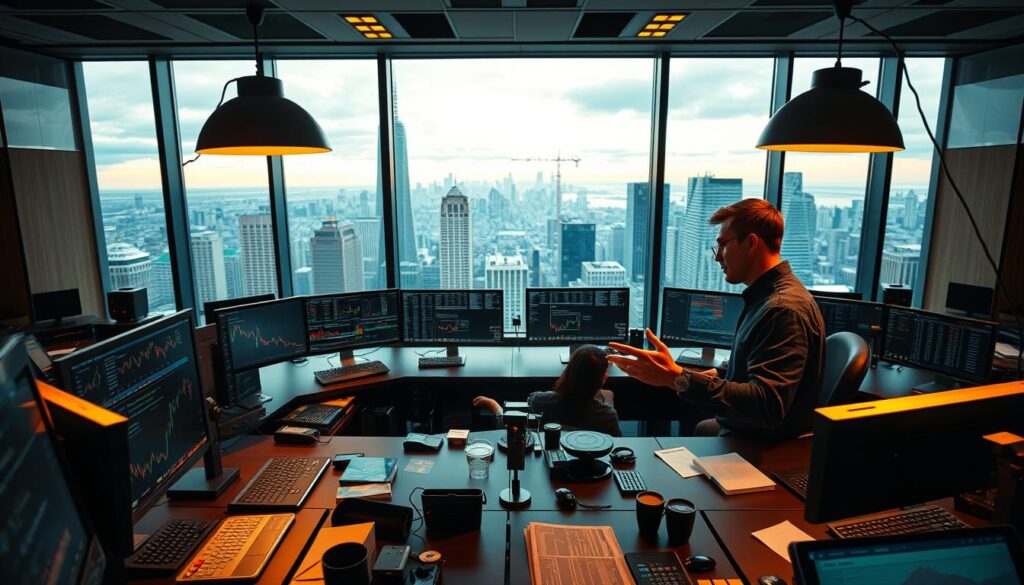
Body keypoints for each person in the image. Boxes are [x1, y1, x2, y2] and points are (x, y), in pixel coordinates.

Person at [609, 199, 825, 439]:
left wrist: (677, 378)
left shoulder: (782, 310)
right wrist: (719, 376)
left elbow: (767, 406)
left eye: (723, 245)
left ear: (751, 243)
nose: (717, 257)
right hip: (746, 432)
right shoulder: (768, 298)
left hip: (759, 446)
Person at [473, 344, 621, 437]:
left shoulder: (538, 402)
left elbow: (511, 425)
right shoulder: (608, 417)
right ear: (603, 378)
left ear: (568, 370)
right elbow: (617, 451)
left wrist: (494, 405)